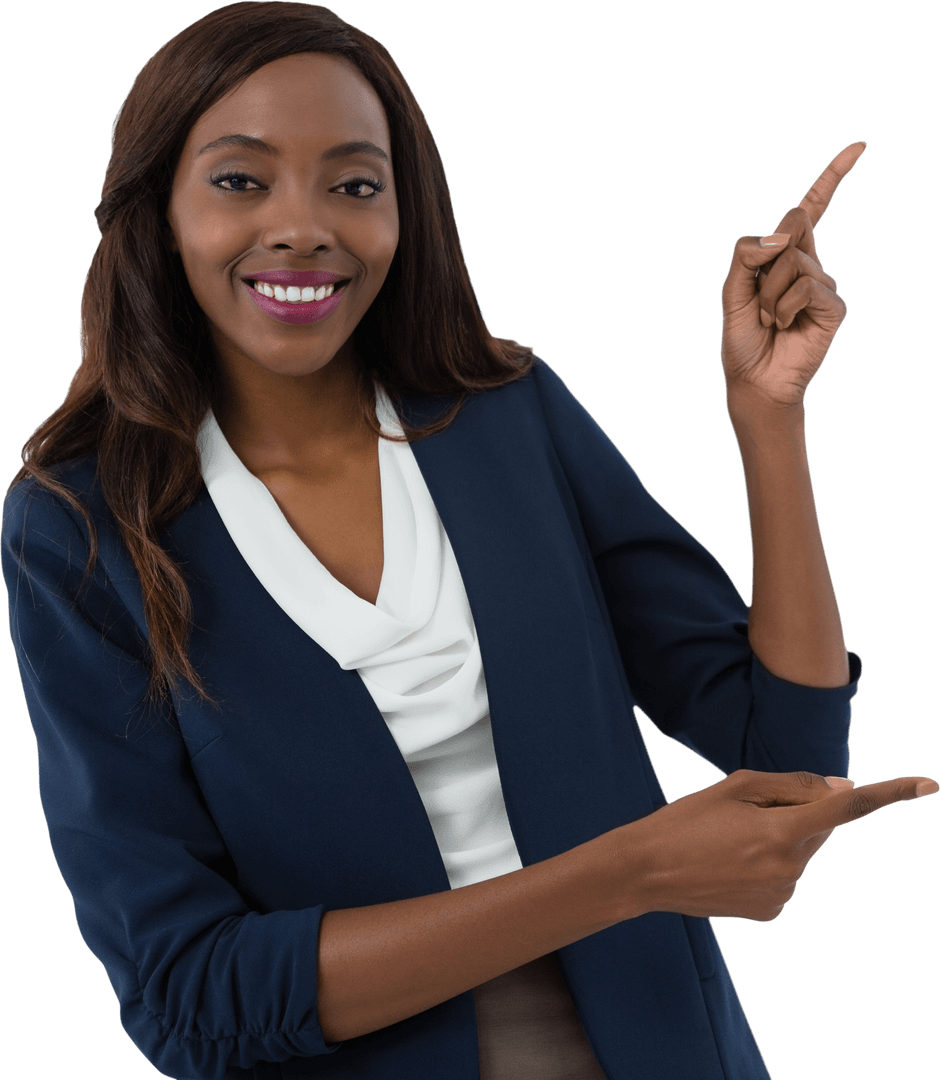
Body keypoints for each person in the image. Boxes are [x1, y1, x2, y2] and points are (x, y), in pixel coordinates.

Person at [2, 3, 936, 1079]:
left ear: (408, 213)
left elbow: (789, 761)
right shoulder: (80, 532)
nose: (302, 226)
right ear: (159, 210)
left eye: (356, 185)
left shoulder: (504, 414)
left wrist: (769, 420)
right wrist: (627, 873)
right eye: (240, 180)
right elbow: (188, 999)